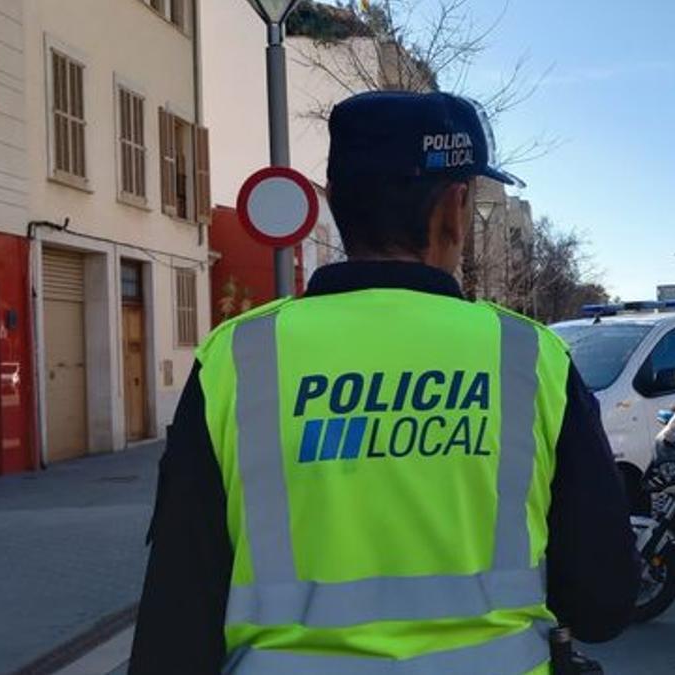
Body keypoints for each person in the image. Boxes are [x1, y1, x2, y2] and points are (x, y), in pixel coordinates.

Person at [128, 91, 638, 674]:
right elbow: (603, 602)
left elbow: (175, 621)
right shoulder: (531, 357)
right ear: (453, 208)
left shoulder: (237, 359)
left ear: (339, 204)